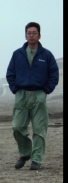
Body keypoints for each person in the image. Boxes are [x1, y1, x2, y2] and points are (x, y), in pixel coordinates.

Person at [6, 21, 59, 171]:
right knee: (17, 127)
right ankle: (25, 153)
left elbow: (54, 74)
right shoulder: (17, 54)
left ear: (39, 35)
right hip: (21, 95)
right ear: (25, 35)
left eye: (34, 33)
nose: (31, 36)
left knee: (39, 130)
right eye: (29, 33)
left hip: (39, 95)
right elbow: (10, 74)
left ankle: (36, 160)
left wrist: (46, 90)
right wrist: (15, 89)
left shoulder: (46, 55)